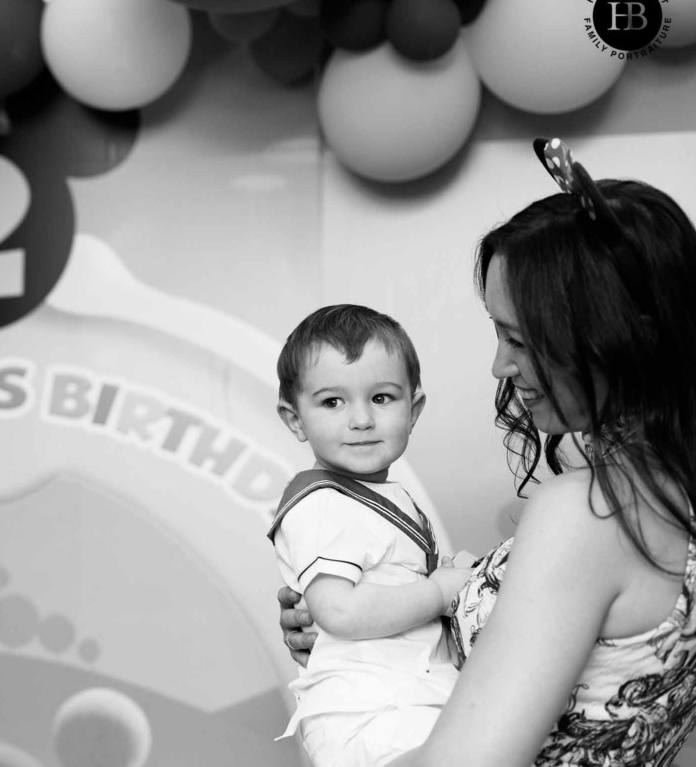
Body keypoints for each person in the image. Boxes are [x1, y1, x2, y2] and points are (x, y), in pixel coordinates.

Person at [277, 137, 696, 766]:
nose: (501, 365)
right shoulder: (673, 493)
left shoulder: (588, 513)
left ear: (603, 339)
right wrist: (364, 639)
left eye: (518, 339)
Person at [268, 304, 472, 767]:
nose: (360, 419)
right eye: (332, 402)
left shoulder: (377, 496)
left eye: (381, 398)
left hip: (401, 703)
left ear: (413, 408)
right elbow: (338, 610)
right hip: (373, 716)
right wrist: (441, 591)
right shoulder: (321, 501)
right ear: (294, 418)